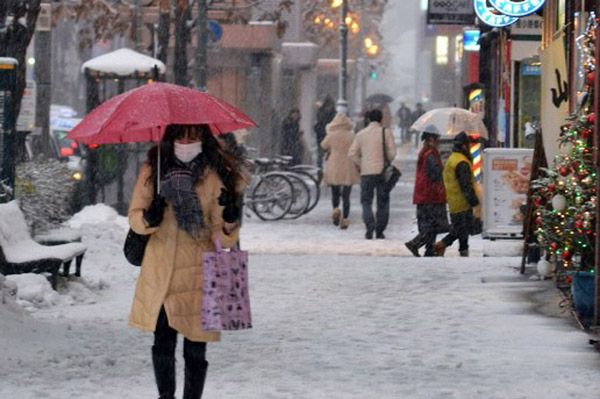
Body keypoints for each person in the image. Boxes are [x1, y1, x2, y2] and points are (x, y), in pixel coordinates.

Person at [127, 124, 246, 399]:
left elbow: (222, 237)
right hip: (162, 271)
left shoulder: (215, 176)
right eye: (180, 135)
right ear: (170, 138)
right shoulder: (154, 171)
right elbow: (134, 216)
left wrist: (229, 221)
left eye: (193, 135)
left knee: (196, 348)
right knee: (163, 344)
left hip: (199, 273)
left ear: (203, 138)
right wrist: (149, 218)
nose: (186, 141)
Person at [348, 109, 397, 239]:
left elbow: (352, 153)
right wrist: (387, 161)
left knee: (366, 201)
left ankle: (369, 225)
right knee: (383, 201)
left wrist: (361, 163)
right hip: (382, 172)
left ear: (369, 119)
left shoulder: (361, 134)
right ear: (381, 119)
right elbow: (392, 152)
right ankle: (380, 230)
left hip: (366, 173)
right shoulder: (385, 132)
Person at [434, 132, 479, 257]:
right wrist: (474, 201)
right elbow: (466, 185)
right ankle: (442, 245)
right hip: (461, 201)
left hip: (454, 200)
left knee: (461, 229)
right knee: (461, 229)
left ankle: (463, 251)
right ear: (464, 146)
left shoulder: (452, 159)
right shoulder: (461, 162)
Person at [404, 127, 448, 257]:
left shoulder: (427, 152)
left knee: (431, 224)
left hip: (425, 195)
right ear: (431, 140)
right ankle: (415, 243)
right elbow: (434, 175)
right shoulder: (430, 155)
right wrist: (442, 170)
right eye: (437, 139)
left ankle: (429, 249)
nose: (439, 141)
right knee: (432, 225)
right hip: (430, 195)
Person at [321, 112, 360, 229]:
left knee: (335, 192)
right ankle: (345, 219)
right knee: (346, 196)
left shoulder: (331, 135)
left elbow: (323, 145)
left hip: (334, 165)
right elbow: (357, 149)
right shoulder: (352, 135)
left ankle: (336, 210)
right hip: (348, 165)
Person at [314, 96, 337, 169]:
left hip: (321, 136)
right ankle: (328, 169)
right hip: (330, 136)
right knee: (330, 155)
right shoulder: (334, 113)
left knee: (320, 155)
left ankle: (320, 171)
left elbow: (318, 123)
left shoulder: (321, 112)